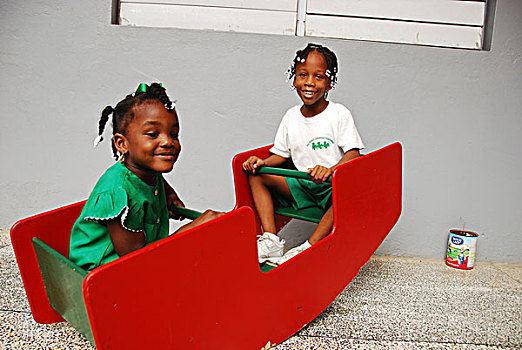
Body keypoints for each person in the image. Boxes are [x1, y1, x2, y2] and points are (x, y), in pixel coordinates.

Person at [69, 83, 223, 271]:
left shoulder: (144, 169)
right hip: (105, 276)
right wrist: (195, 228)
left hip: (138, 266)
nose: (167, 141)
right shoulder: (119, 194)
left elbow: (155, 179)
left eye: (174, 134)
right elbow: (138, 262)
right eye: (152, 134)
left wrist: (169, 194)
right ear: (121, 143)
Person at [243, 44, 364, 265]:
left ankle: (310, 246)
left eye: (318, 76)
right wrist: (262, 162)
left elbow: (353, 153)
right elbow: (280, 155)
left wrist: (331, 170)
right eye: (302, 75)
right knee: (257, 175)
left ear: (329, 82)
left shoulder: (339, 114)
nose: (309, 82)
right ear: (294, 80)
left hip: (331, 187)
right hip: (302, 184)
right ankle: (271, 241)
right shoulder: (291, 117)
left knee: (347, 196)